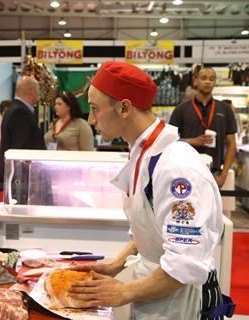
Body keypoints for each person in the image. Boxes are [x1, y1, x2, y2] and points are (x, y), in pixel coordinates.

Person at [67, 62, 232, 319]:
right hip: (155, 288)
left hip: (181, 299)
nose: (90, 119)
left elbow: (184, 265)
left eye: (94, 108)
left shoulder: (176, 168)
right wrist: (115, 265)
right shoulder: (142, 152)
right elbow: (152, 226)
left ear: (124, 108)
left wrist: (124, 292)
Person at [169, 66, 237, 188]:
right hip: (185, 170)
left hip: (214, 172)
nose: (207, 82)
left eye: (212, 79)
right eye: (204, 78)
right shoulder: (181, 110)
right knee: (187, 207)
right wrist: (192, 141)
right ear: (196, 81)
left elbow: (232, 144)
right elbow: (169, 141)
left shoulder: (225, 110)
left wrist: (223, 175)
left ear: (215, 82)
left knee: (212, 207)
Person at [0, 76, 46, 188]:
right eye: (38, 91)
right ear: (33, 91)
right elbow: (20, 151)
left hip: (17, 179)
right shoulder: (20, 112)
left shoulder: (14, 109)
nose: (38, 95)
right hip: (21, 181)